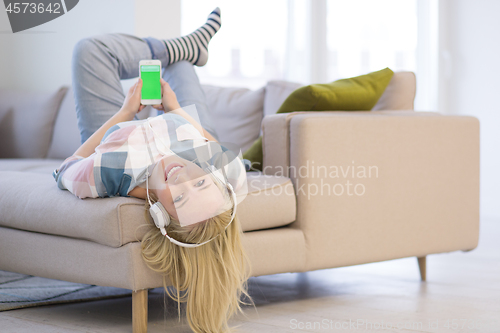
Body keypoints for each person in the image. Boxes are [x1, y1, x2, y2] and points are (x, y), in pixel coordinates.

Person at [52, 8, 254, 333]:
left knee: (89, 51)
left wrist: (125, 111)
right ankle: (189, 47)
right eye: (201, 182)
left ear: (160, 215)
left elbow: (64, 170)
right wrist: (174, 109)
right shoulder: (228, 177)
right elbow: (215, 149)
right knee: (181, 65)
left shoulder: (108, 170)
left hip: (121, 133)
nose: (182, 177)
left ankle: (186, 45)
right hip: (184, 125)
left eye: (181, 198)